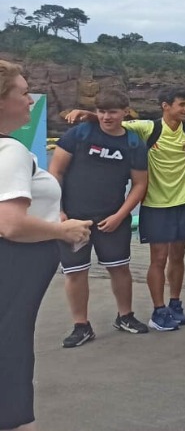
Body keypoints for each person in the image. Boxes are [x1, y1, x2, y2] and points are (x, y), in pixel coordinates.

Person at [65, 87, 185, 331]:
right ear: (166, 106)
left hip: (184, 202)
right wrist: (88, 114)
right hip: (155, 204)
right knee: (159, 259)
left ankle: (175, 303)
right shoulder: (148, 128)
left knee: (178, 257)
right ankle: (158, 311)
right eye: (182, 104)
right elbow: (115, 122)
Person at [0, 60, 92, 431]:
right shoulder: (11, 153)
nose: (31, 100)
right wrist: (62, 230)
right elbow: (11, 224)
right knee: (10, 352)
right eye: (24, 93)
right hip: (14, 267)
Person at [49, 89, 150, 347]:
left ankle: (125, 316)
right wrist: (58, 210)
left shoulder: (133, 143)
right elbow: (56, 172)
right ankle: (81, 325)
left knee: (119, 268)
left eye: (112, 112)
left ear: (125, 112)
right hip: (74, 220)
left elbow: (140, 184)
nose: (106, 117)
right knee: (75, 272)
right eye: (102, 111)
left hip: (111, 219)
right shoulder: (80, 134)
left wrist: (120, 215)